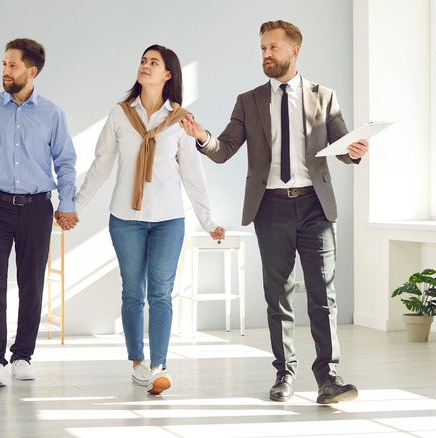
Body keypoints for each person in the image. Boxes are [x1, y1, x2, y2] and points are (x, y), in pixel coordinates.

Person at [180, 20, 369, 404]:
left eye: (273, 48)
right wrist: (203, 138)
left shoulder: (324, 96)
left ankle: (328, 378)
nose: (266, 54)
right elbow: (226, 148)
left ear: (294, 51)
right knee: (277, 295)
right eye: (262, 48)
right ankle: (284, 375)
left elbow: (343, 145)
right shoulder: (248, 101)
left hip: (316, 206)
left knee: (322, 295)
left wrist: (355, 151)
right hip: (270, 207)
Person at [72, 44, 225, 395]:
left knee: (161, 293)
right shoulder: (120, 114)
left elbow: (193, 174)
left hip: (168, 219)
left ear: (167, 74)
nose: (145, 66)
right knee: (132, 292)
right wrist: (75, 207)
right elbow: (101, 164)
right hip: (125, 217)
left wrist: (207, 220)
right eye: (143, 60)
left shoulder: (181, 120)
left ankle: (159, 366)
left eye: (153, 62)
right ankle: (137, 363)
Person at [0, 38, 78, 388]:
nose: (5, 71)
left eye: (12, 65)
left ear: (31, 71)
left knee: (32, 285)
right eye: (3, 64)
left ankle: (23, 356)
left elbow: (66, 163)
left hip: (37, 208)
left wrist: (66, 203)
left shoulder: (52, 114)